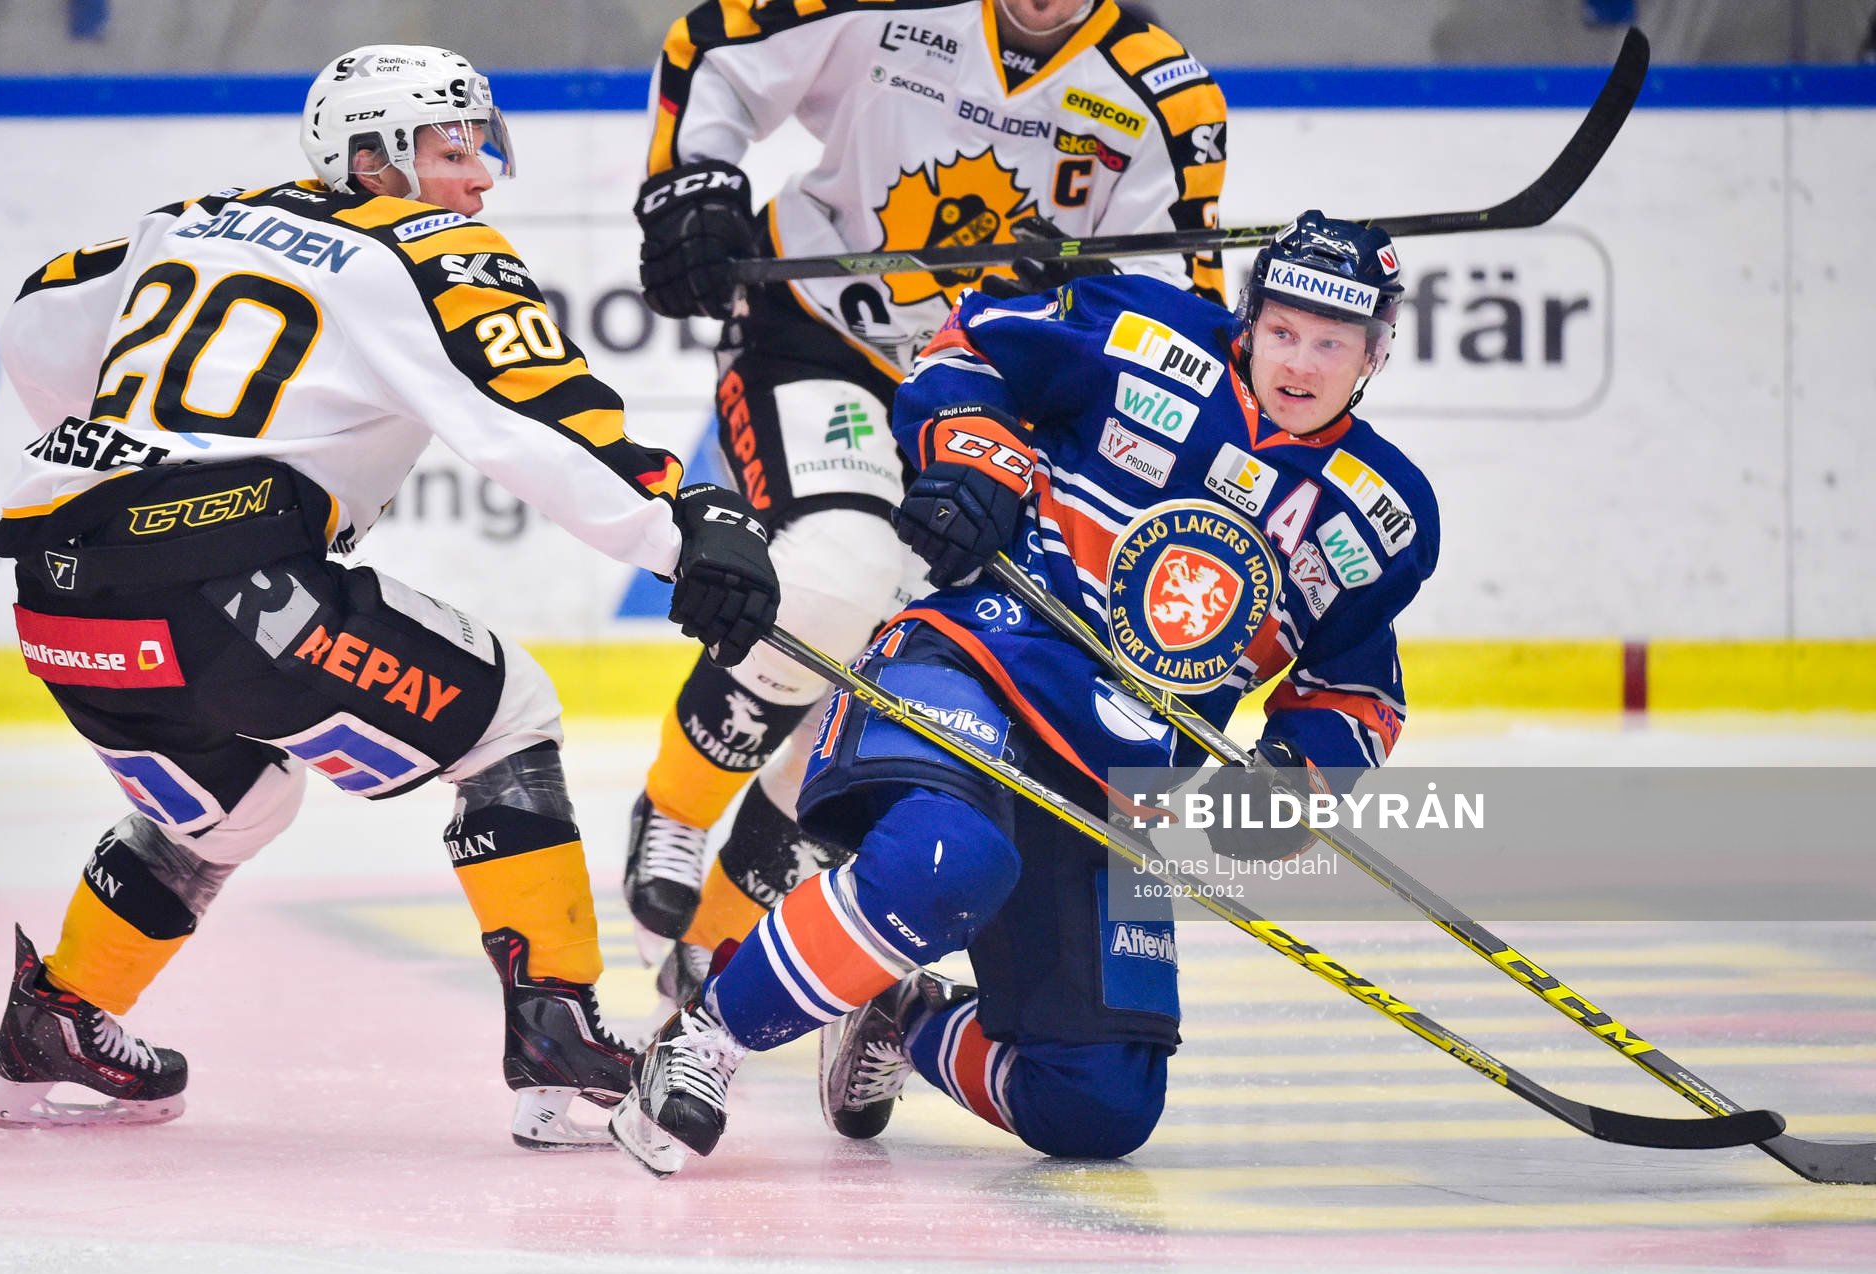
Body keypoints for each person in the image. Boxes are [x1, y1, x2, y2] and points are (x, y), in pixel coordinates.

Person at [0, 44, 779, 1151]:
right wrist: (681, 527)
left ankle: (56, 1017)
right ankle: (560, 1041)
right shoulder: (419, 241)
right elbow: (531, 407)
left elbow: (38, 313)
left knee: (229, 807)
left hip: (59, 588)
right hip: (225, 582)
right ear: (373, 159)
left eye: (482, 146)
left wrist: (141, 449)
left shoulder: (193, 215)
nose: (481, 175)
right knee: (509, 719)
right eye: (455, 148)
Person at [608, 211, 1440, 1174]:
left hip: (1114, 776)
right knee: (948, 858)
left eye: (1333, 344)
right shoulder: (1143, 332)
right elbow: (962, 351)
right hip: (973, 662)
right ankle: (701, 1041)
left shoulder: (1384, 513)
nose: (1301, 364)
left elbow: (1357, 688)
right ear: (1250, 319)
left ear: (1374, 354)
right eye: (1286, 332)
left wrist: (1297, 774)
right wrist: (973, 460)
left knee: (1098, 1103)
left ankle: (902, 1017)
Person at [624, 0, 1231, 1012]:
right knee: (834, 581)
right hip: (821, 339)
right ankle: (679, 803)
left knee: (896, 682)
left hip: (991, 392)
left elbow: (1184, 313)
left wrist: (1091, 295)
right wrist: (696, 182)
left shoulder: (1164, 95)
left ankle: (717, 945)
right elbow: (715, 47)